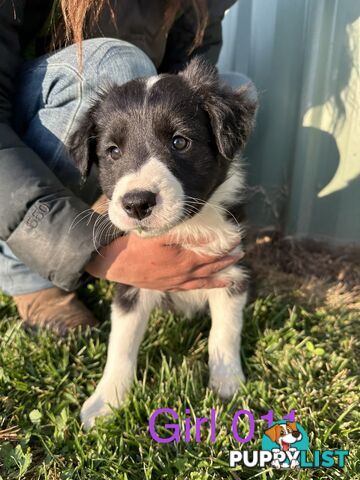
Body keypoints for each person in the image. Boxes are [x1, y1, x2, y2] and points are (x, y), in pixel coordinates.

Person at [0, 0, 244, 334]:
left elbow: (184, 90)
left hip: (131, 139)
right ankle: (29, 278)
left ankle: (165, 235)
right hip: (21, 123)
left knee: (235, 86)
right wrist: (105, 256)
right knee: (117, 65)